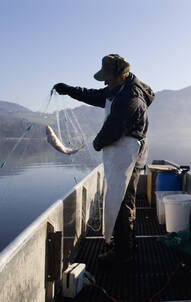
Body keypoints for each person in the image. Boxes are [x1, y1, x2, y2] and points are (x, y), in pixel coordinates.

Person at [53, 54, 155, 266]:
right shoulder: (117, 90)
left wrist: (96, 143)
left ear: (122, 75)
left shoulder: (130, 98)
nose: (105, 82)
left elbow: (113, 129)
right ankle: (126, 244)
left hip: (127, 156)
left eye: (108, 77)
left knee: (121, 203)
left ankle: (123, 254)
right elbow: (94, 95)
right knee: (123, 201)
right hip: (124, 155)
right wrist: (70, 90)